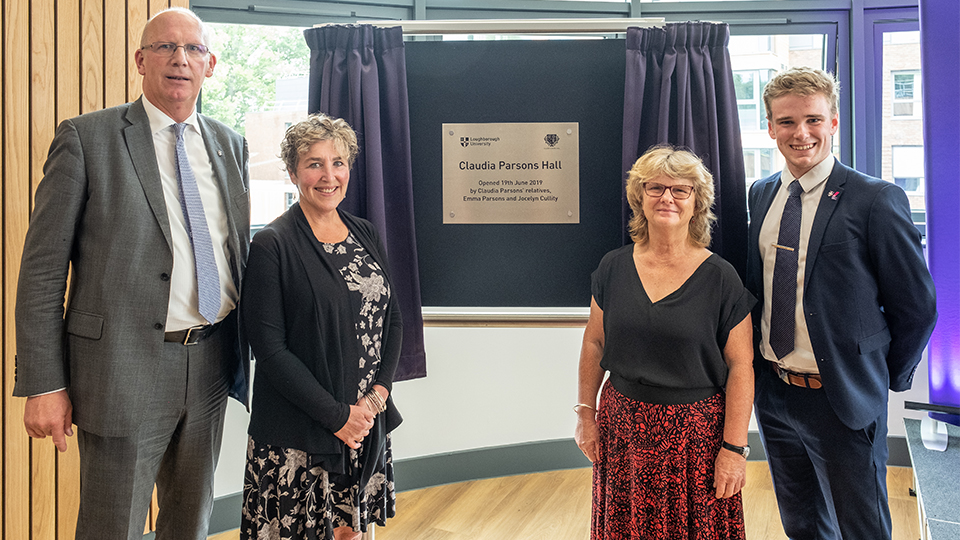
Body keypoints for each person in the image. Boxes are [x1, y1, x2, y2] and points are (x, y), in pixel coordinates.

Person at [12, 7, 250, 540]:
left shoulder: (229, 144)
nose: (179, 60)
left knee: (191, 522)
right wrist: (45, 383)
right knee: (110, 526)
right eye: (165, 47)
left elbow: (236, 254)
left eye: (192, 50)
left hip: (212, 360)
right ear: (140, 60)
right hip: (122, 368)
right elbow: (43, 272)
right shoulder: (86, 139)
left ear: (210, 65)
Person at [746, 66, 937, 539]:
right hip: (774, 392)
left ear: (833, 122)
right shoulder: (761, 194)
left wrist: (878, 376)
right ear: (770, 127)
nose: (801, 133)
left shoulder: (875, 199)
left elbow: (917, 307)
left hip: (842, 399)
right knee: (802, 524)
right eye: (787, 122)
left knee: (862, 529)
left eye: (813, 119)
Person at [575, 146, 755, 540]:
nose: (667, 198)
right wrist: (586, 415)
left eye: (681, 190)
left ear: (697, 202)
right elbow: (594, 342)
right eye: (655, 187)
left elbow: (742, 366)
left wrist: (734, 450)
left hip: (696, 439)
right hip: (623, 431)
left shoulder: (721, 278)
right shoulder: (613, 266)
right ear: (639, 196)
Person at [240, 113, 402, 540]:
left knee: (351, 532)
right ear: (293, 172)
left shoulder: (364, 233)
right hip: (300, 433)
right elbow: (270, 350)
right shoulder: (273, 244)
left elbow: (392, 319)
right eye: (314, 163)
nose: (328, 175)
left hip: (364, 421)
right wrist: (338, 417)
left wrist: (376, 398)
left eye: (338, 162)